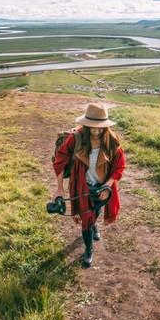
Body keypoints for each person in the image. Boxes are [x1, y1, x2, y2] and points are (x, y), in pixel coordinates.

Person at [52, 103, 126, 268]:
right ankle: (88, 249)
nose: (97, 131)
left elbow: (119, 166)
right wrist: (59, 188)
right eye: (93, 127)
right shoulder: (76, 138)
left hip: (102, 187)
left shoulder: (111, 140)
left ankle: (93, 226)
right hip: (82, 186)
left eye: (101, 127)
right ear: (86, 124)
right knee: (86, 218)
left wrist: (108, 185)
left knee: (96, 211)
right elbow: (59, 161)